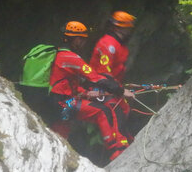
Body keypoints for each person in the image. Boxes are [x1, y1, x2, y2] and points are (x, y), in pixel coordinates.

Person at [49, 21, 129, 160]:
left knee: (59, 135)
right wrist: (120, 91)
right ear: (77, 39)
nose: (84, 43)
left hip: (55, 103)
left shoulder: (59, 55)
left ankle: (56, 156)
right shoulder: (70, 58)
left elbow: (66, 84)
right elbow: (96, 78)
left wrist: (86, 93)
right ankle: (115, 150)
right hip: (63, 104)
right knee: (102, 111)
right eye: (83, 39)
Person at [89, 11, 136, 142]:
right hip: (100, 88)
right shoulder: (108, 45)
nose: (129, 32)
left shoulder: (119, 45)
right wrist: (120, 91)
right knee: (116, 112)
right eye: (127, 29)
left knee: (125, 109)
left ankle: (125, 140)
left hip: (112, 87)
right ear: (117, 28)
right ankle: (117, 147)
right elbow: (103, 74)